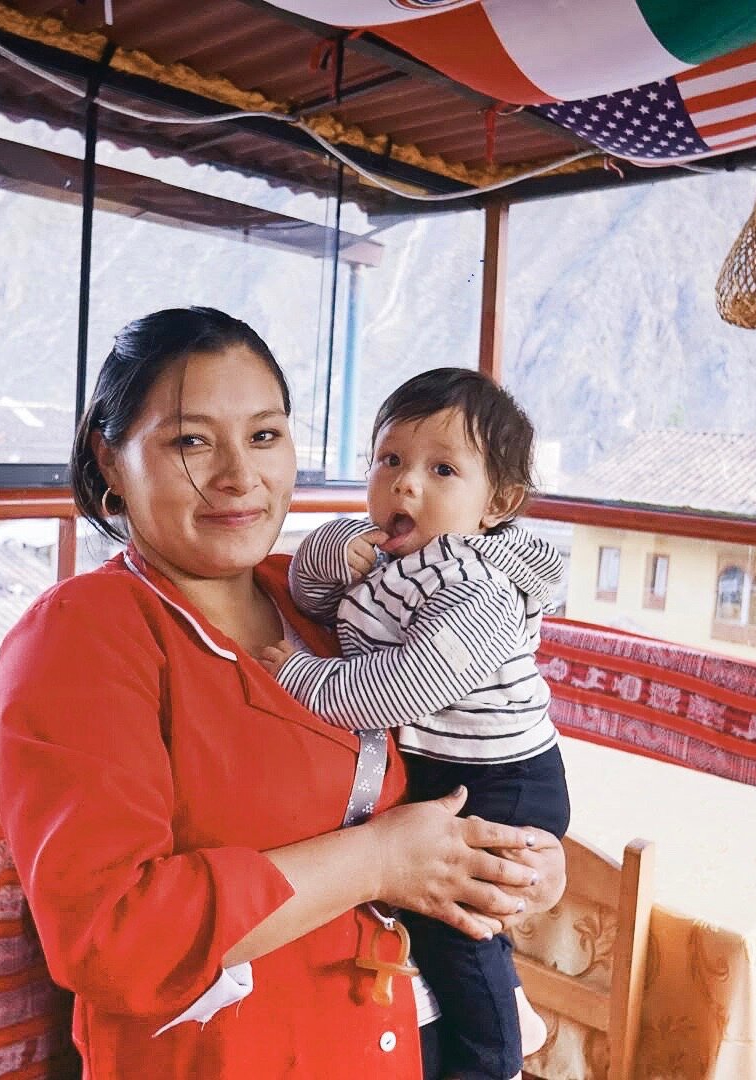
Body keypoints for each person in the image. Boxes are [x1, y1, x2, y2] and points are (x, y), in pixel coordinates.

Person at [0, 308, 566, 1079]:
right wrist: (378, 862)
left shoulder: (323, 605)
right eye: (191, 440)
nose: (239, 476)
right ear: (110, 458)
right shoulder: (81, 636)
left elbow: (448, 772)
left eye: (264, 436)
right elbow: (110, 935)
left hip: (405, 1044)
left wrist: (525, 869)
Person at [258, 368, 569, 1080]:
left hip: (500, 777)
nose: (405, 484)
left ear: (500, 503)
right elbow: (313, 593)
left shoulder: (477, 588)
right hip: (451, 765)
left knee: (454, 919)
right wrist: (335, 548)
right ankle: (508, 1006)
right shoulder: (401, 557)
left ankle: (495, 1059)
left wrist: (301, 677)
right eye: (389, 459)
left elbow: (401, 688)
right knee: (451, 906)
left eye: (442, 469)